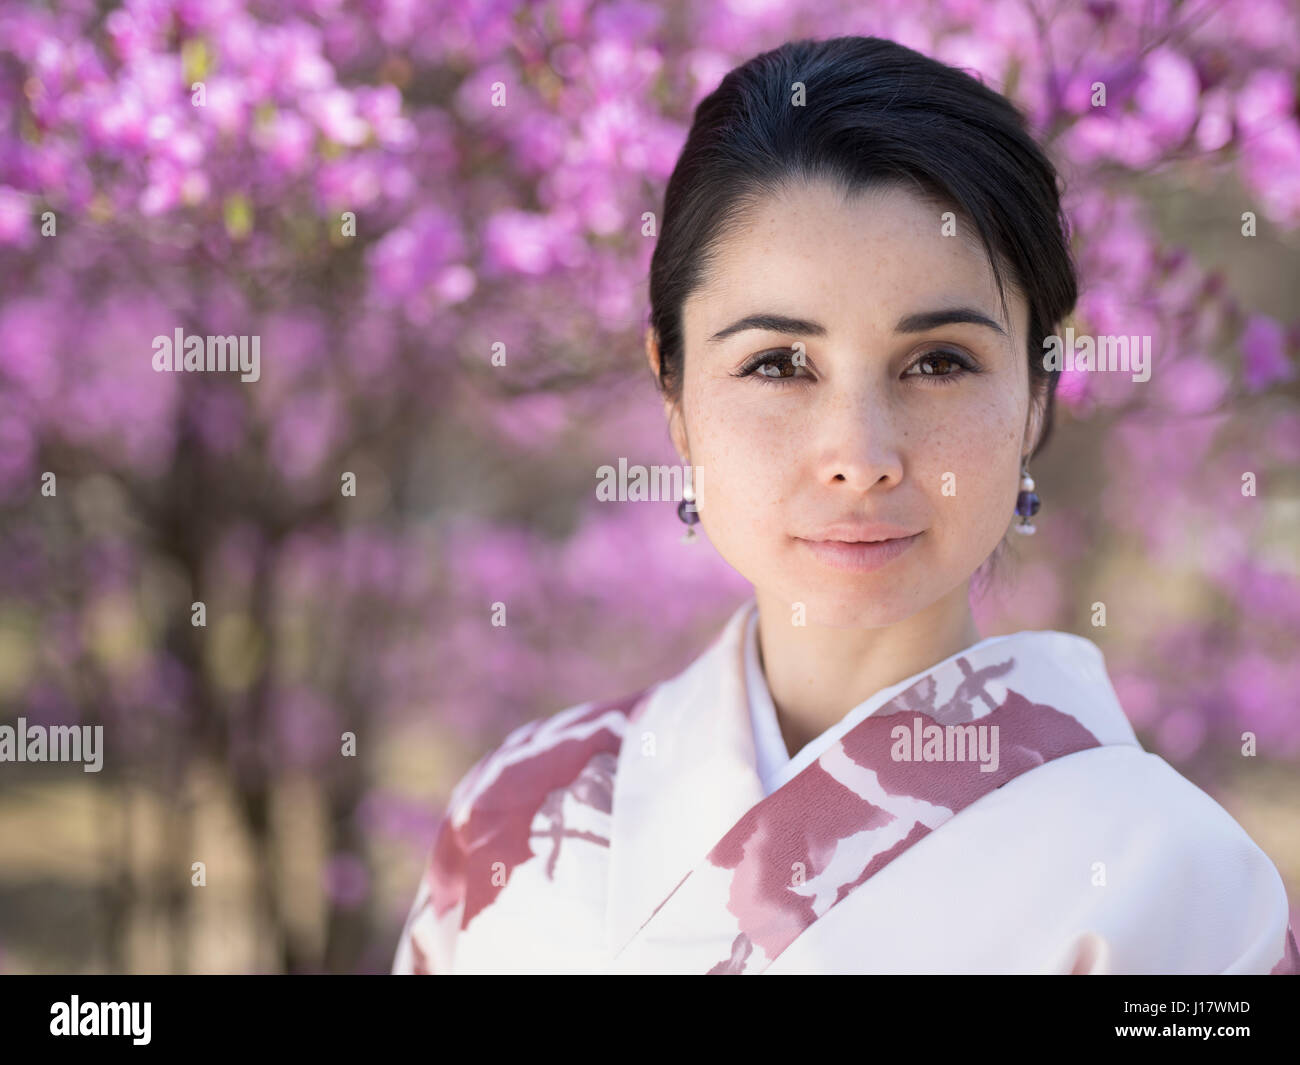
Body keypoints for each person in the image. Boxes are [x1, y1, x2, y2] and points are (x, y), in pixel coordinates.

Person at [392, 35, 1298, 975]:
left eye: (940, 362)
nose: (860, 458)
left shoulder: (1177, 883)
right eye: (779, 364)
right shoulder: (517, 814)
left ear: (1036, 392)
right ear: (675, 394)